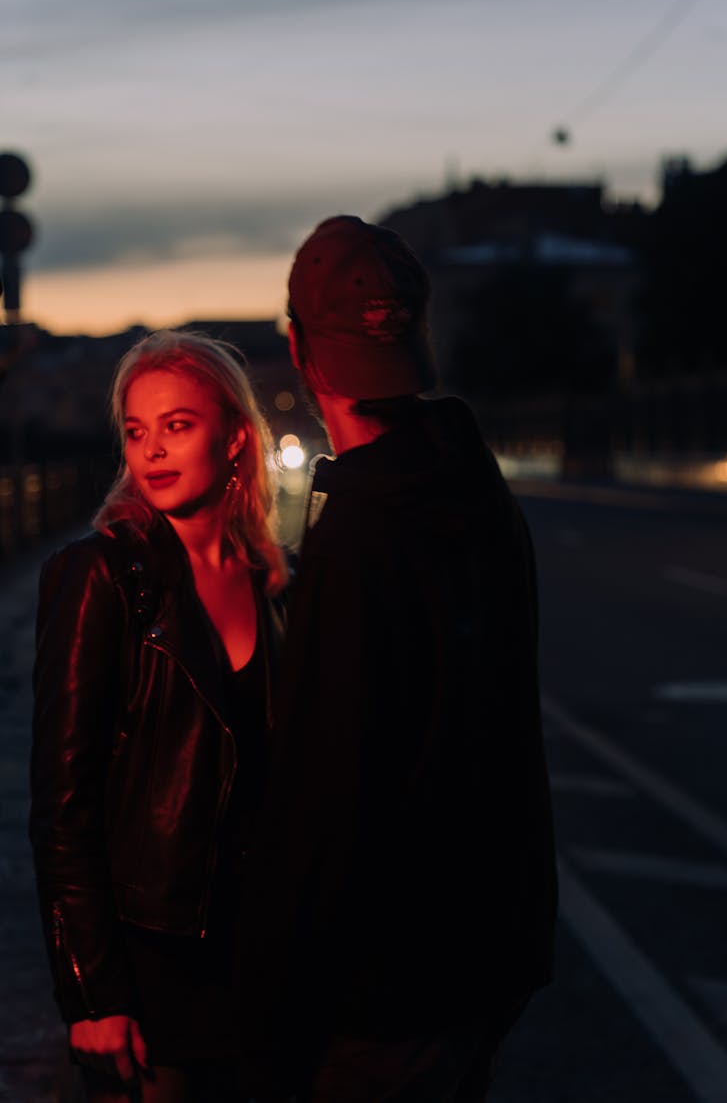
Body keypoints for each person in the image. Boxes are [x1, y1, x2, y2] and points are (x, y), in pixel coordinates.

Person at [239, 216, 558, 1101]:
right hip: (491, 948)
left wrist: (270, 1002)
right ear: (418, 338)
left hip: (383, 986)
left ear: (300, 350)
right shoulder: (479, 492)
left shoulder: (361, 536)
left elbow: (327, 792)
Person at [29, 330, 288, 1103]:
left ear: (234, 436)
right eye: (137, 431)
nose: (153, 451)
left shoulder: (275, 585)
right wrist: (92, 992)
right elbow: (62, 806)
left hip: (257, 958)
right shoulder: (101, 576)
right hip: (149, 965)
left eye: (177, 425)